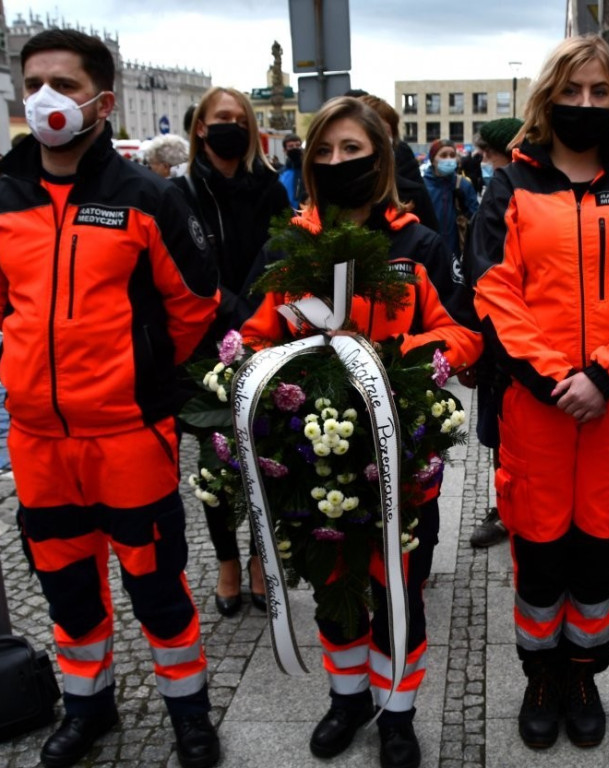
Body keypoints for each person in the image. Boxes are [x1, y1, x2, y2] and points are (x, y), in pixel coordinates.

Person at [0, 28, 221, 768]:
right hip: (38, 441)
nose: (45, 98)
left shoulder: (146, 195)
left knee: (158, 587)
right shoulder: (3, 193)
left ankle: (189, 714)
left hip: (130, 435)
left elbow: (195, 303)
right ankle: (86, 708)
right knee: (67, 592)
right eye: (34, 82)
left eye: (63, 84)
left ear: (103, 99)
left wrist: (145, 371)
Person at [241, 96, 482, 768]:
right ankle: (347, 697)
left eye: (351, 149)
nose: (337, 161)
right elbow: (253, 337)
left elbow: (462, 333)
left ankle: (397, 712)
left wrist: (407, 362)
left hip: (399, 461)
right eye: (324, 150)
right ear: (308, 161)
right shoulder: (288, 248)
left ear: (378, 155)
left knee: (398, 590)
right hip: (312, 461)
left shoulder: (418, 243)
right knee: (335, 586)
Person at [469, 35, 609, 750]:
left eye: (600, 92)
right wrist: (548, 377)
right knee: (538, 551)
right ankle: (541, 673)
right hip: (535, 410)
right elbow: (493, 290)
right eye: (572, 91)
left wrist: (604, 374)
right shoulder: (510, 187)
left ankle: (583, 671)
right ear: (547, 99)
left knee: (599, 554)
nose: (586, 104)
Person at [175, 86, 291, 617]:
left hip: (263, 336)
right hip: (202, 346)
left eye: (239, 118)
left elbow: (286, 254)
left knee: (263, 459)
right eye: (221, 118)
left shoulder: (269, 187)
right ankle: (226, 562)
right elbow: (180, 270)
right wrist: (226, 307)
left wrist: (252, 313)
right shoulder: (179, 192)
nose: (230, 126)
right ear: (201, 126)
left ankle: (257, 560)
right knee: (213, 464)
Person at [464, 116, 523, 550]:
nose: (481, 159)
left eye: (488, 151)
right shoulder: (493, 191)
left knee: (516, 428)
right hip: (489, 335)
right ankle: (505, 507)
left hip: (515, 338)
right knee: (495, 430)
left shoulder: (520, 195)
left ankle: (518, 511)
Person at [357, 93, 440, 233]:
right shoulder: (328, 196)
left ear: (394, 141)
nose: (376, 138)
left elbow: (433, 248)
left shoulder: (414, 194)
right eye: (368, 130)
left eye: (383, 132)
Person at [422, 139, 478, 259]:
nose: (448, 159)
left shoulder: (463, 184)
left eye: (452, 155)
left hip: (456, 250)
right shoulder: (422, 186)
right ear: (433, 159)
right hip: (428, 248)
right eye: (443, 155)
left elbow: (476, 218)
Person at [278, 132, 306, 209]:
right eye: (291, 146)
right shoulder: (280, 173)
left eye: (297, 145)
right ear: (284, 150)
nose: (295, 148)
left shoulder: (308, 171)